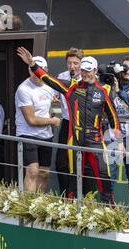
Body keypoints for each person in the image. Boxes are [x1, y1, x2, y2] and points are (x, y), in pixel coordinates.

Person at [16, 47, 122, 204]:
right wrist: (32, 64)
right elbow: (48, 79)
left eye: (88, 70)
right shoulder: (71, 86)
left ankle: (110, 210)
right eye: (83, 71)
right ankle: (71, 210)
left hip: (95, 141)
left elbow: (113, 115)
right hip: (76, 139)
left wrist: (119, 142)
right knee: (72, 175)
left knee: (103, 176)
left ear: (94, 71)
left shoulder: (103, 90)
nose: (85, 74)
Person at [14, 55, 61, 193]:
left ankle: (38, 206)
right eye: (32, 70)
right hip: (27, 134)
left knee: (44, 173)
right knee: (32, 172)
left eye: (38, 70)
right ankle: (28, 208)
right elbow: (31, 120)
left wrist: (55, 110)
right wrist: (52, 121)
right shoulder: (23, 89)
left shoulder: (50, 86)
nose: (35, 73)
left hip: (46, 135)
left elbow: (56, 108)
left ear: (46, 70)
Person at [107, 55, 129, 225]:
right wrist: (112, 84)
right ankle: (108, 211)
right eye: (124, 68)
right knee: (110, 174)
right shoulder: (110, 83)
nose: (127, 71)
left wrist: (119, 91)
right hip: (113, 132)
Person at [55, 48, 83, 197]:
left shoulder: (88, 76)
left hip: (82, 125)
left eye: (76, 63)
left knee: (79, 163)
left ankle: (79, 198)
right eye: (69, 63)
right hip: (66, 123)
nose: (72, 66)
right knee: (61, 162)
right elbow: (53, 94)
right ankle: (65, 197)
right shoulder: (62, 76)